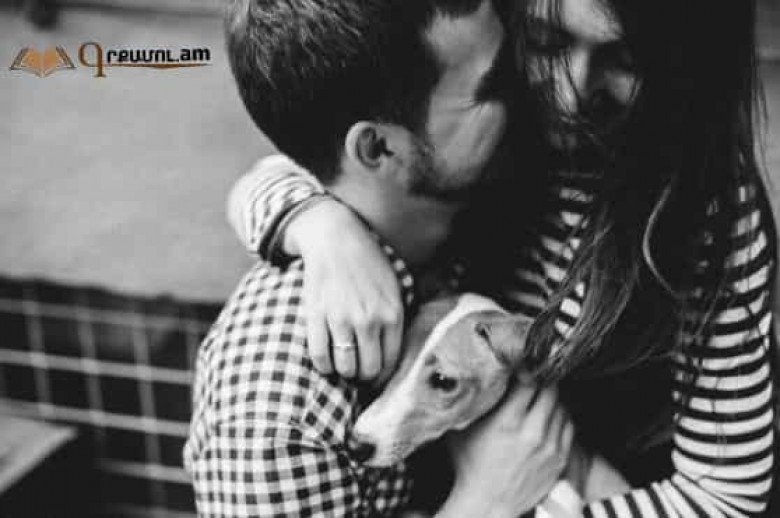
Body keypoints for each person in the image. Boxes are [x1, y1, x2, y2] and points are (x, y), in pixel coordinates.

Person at [227, 0, 778, 516]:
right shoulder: (488, 122)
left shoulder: (702, 209)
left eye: (625, 59)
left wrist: (499, 505)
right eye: (546, 42)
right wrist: (323, 229)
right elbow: (289, 170)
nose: (571, 98)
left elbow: (727, 499)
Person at [185, 0, 582, 516]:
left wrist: (316, 223)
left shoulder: (454, 219)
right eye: (491, 88)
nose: (543, 92)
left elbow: (267, 176)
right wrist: (485, 503)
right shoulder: (281, 413)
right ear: (379, 148)